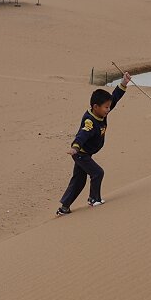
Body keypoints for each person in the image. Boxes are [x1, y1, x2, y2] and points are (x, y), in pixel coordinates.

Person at [56, 72, 132, 216]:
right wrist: (74, 148)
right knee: (97, 173)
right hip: (81, 154)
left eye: (109, 107)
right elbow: (82, 135)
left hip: (85, 154)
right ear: (96, 107)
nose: (108, 110)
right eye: (106, 107)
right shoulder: (90, 121)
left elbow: (114, 98)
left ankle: (64, 208)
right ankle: (93, 199)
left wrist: (123, 83)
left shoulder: (101, 112)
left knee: (79, 180)